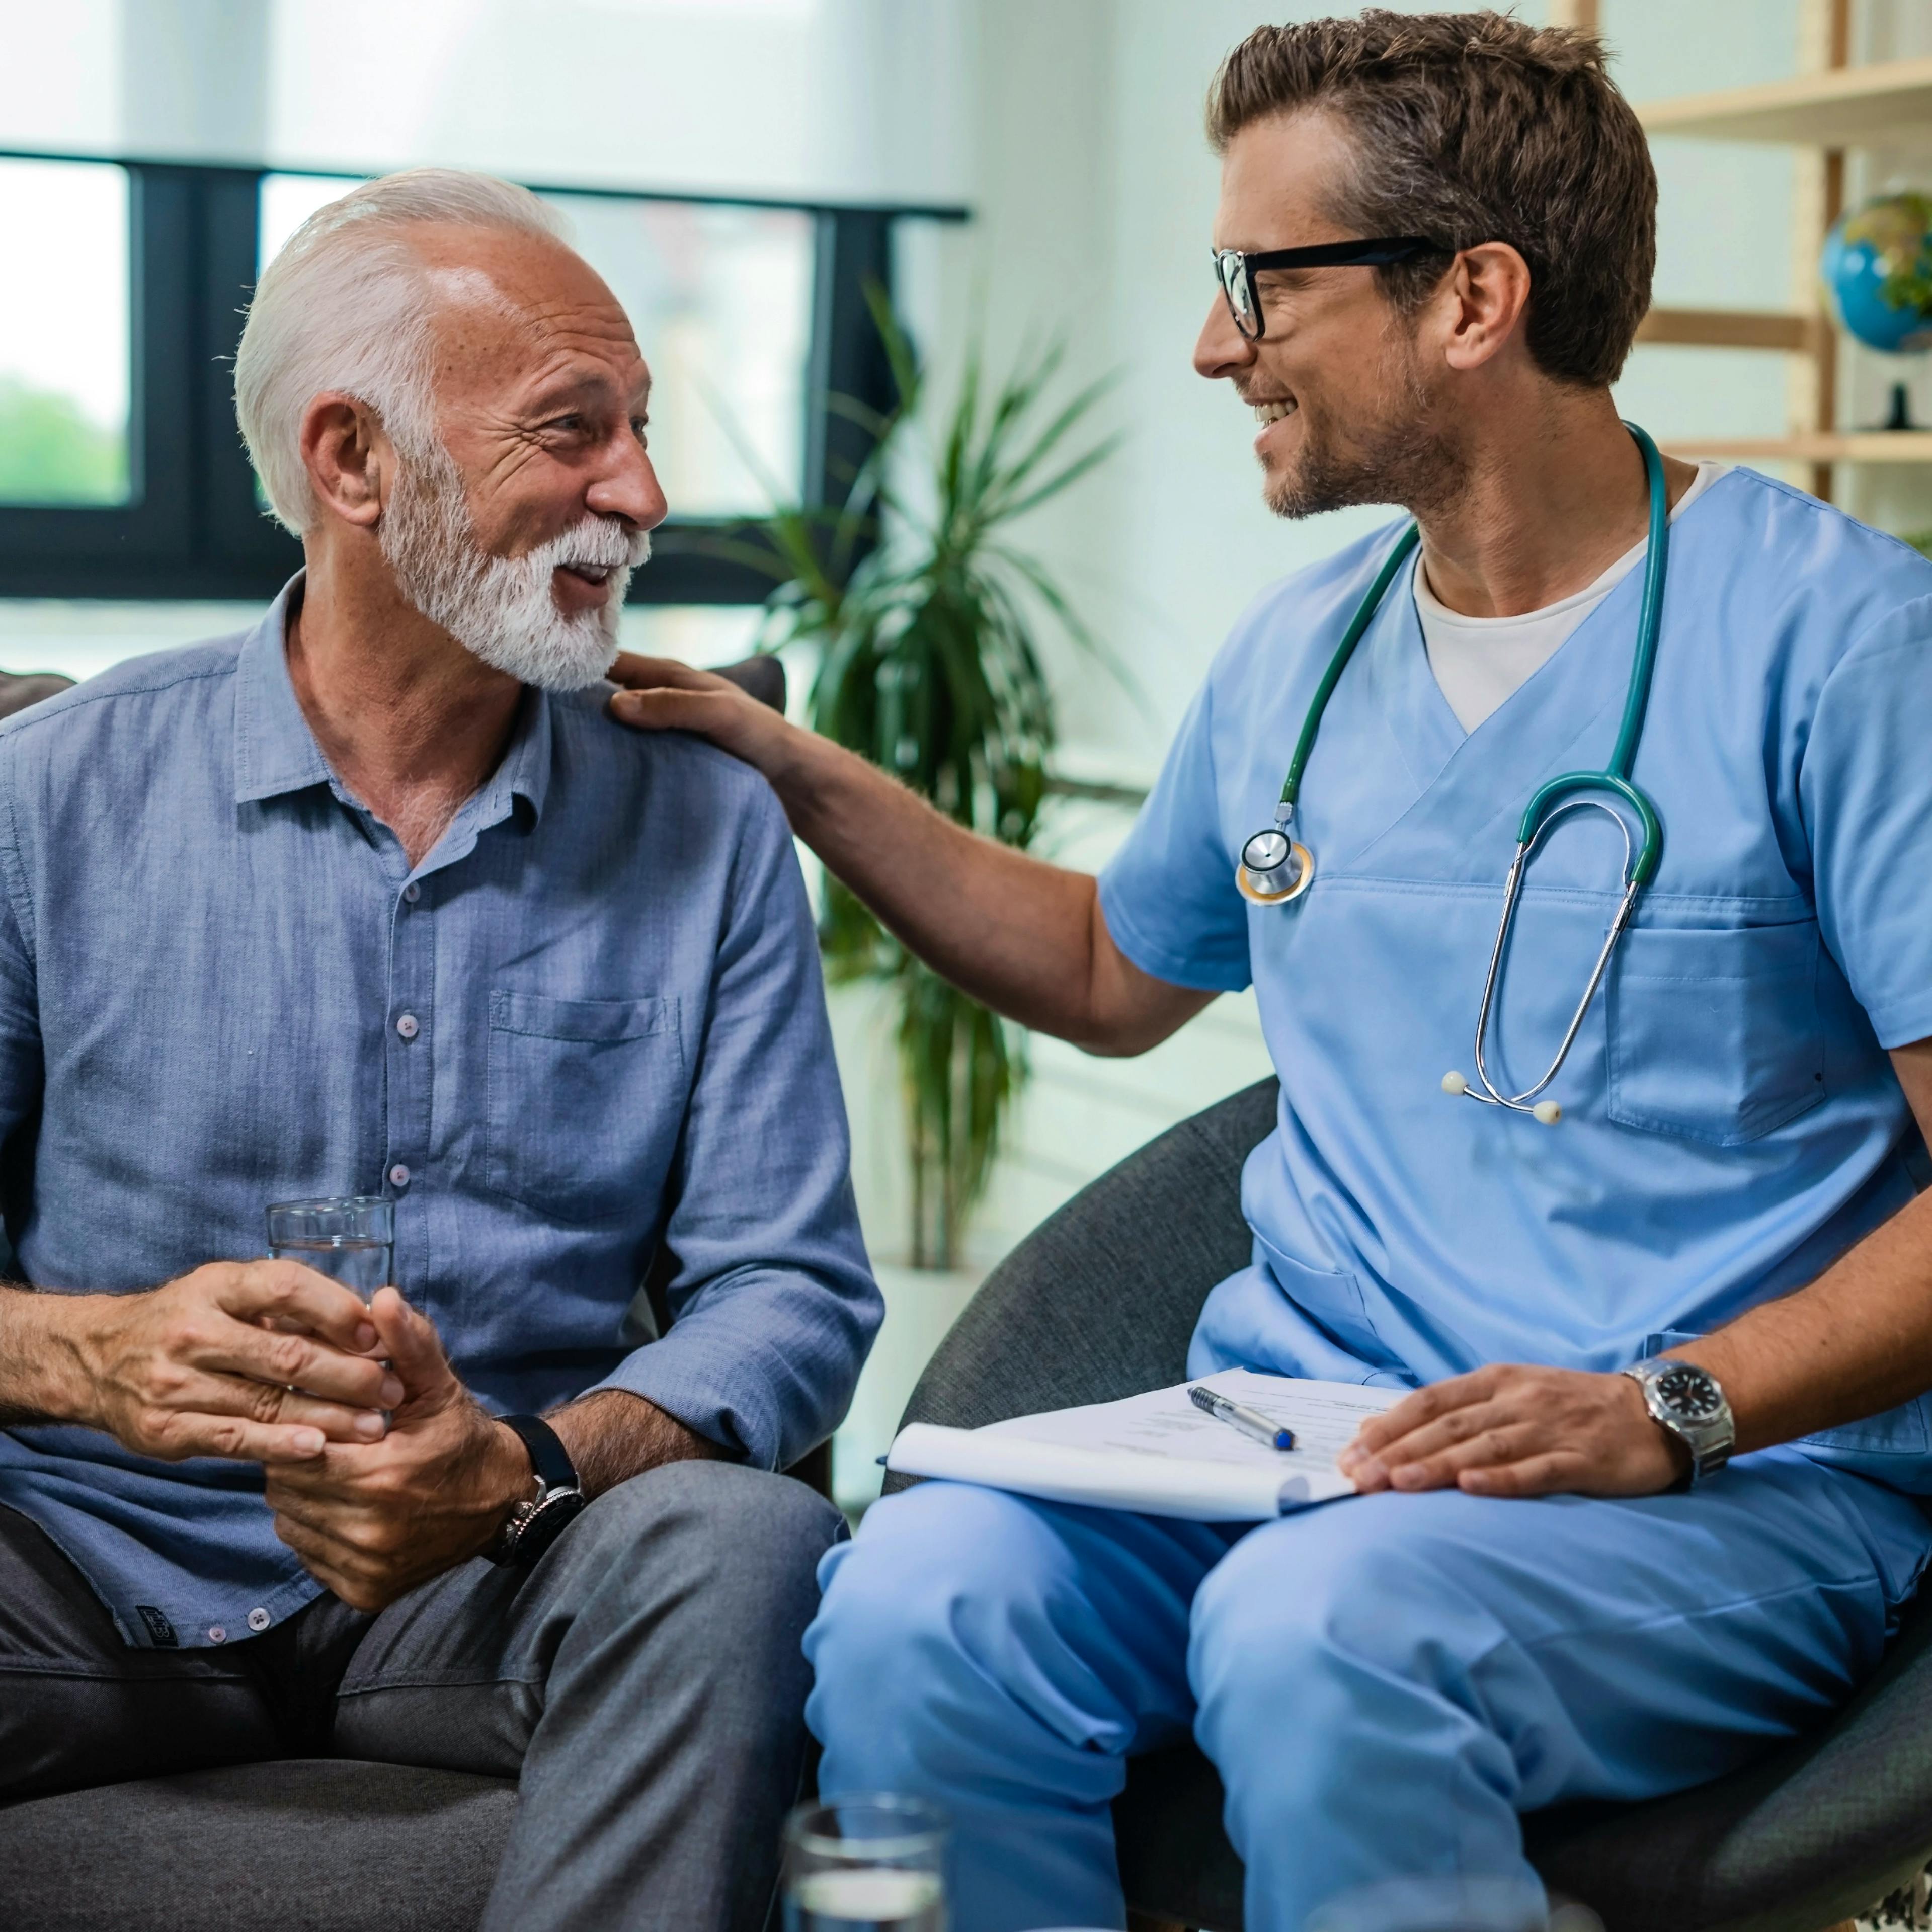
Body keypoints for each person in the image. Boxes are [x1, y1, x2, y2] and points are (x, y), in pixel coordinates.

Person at [605, 14, 1932, 1932]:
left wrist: (1681, 1404)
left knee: (1328, 1635)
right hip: (1302, 1437)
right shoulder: (1301, 650)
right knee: (915, 1601)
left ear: (1473, 296)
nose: (1218, 344)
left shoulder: (1847, 651)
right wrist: (803, 775)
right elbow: (1103, 965)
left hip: (1721, 1489)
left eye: (1258, 284)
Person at [0, 168, 880, 1932]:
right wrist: (84, 1358)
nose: (642, 492)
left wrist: (528, 1467)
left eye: (637, 431)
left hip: (499, 1569)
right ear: (353, 464)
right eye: (574, 434)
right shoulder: (46, 801)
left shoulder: (705, 826)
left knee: (750, 1549)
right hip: (80, 1571)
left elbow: (790, 1288)